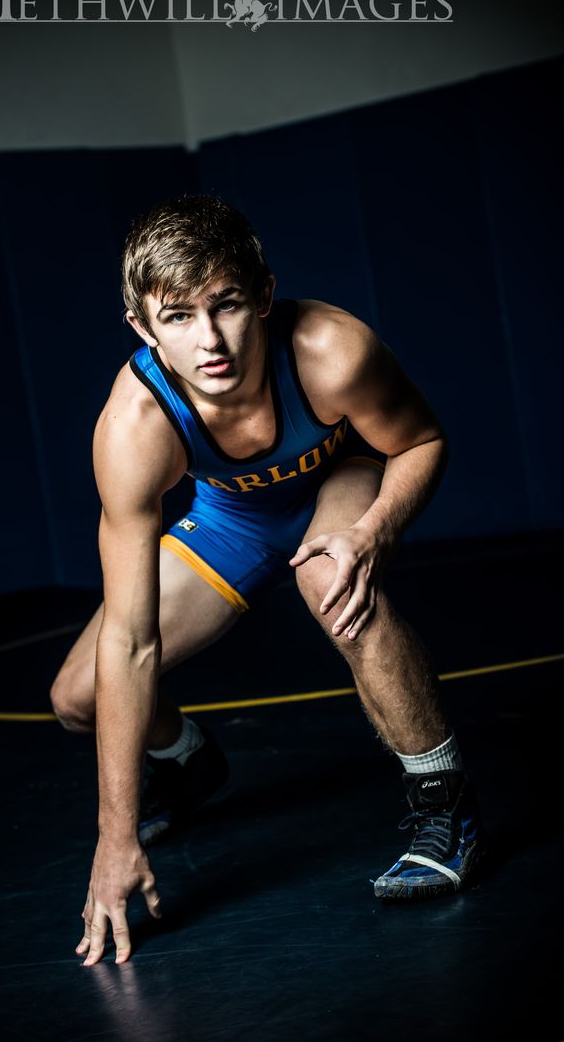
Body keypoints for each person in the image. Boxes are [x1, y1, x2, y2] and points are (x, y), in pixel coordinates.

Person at [50, 194, 486, 967]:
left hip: (340, 477)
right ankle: (187, 759)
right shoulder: (133, 427)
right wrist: (113, 839)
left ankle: (444, 805)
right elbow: (130, 638)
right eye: (178, 317)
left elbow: (421, 440)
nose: (210, 340)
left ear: (264, 296)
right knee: (78, 696)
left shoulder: (331, 350)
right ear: (142, 329)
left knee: (335, 584)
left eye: (226, 305)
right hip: (233, 516)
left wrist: (371, 530)